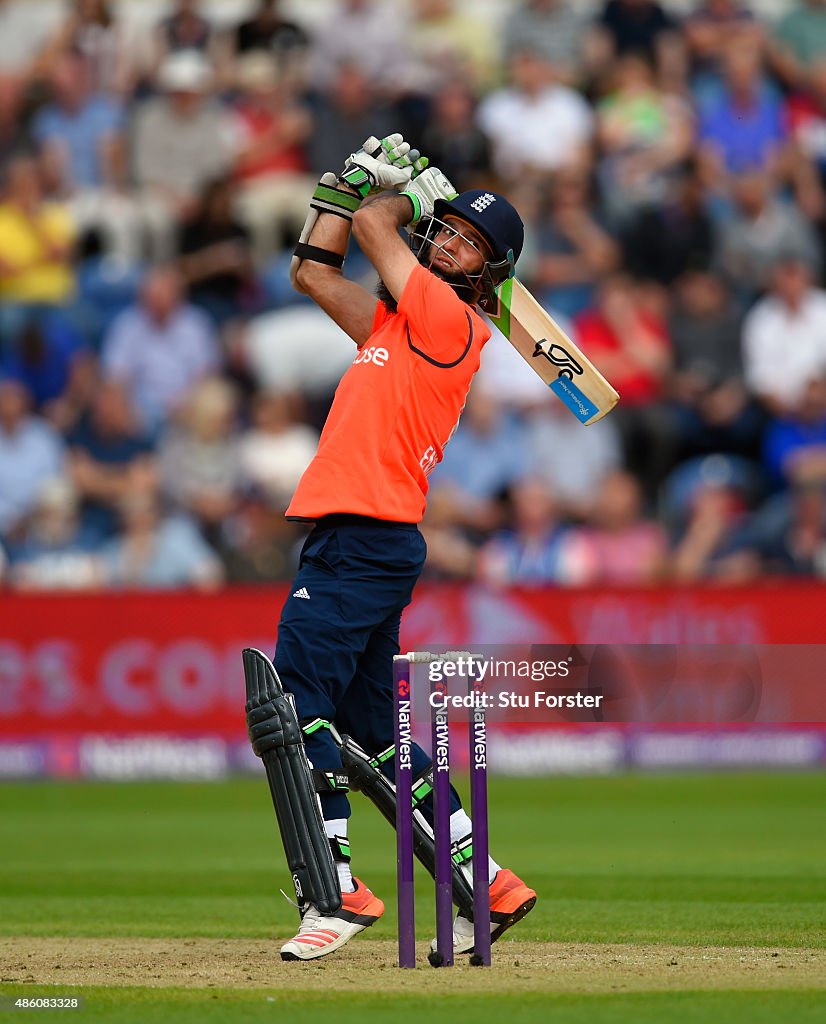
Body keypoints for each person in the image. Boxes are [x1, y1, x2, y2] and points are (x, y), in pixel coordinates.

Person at [252, 134, 536, 961]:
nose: (445, 243)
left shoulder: (450, 319)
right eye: (444, 230)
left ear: (486, 274)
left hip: (366, 538)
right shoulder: (395, 326)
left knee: (290, 708)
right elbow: (312, 272)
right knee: (373, 735)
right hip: (360, 539)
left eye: (465, 244)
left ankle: (334, 890)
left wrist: (401, 198)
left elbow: (381, 228)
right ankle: (487, 884)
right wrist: (339, 191)